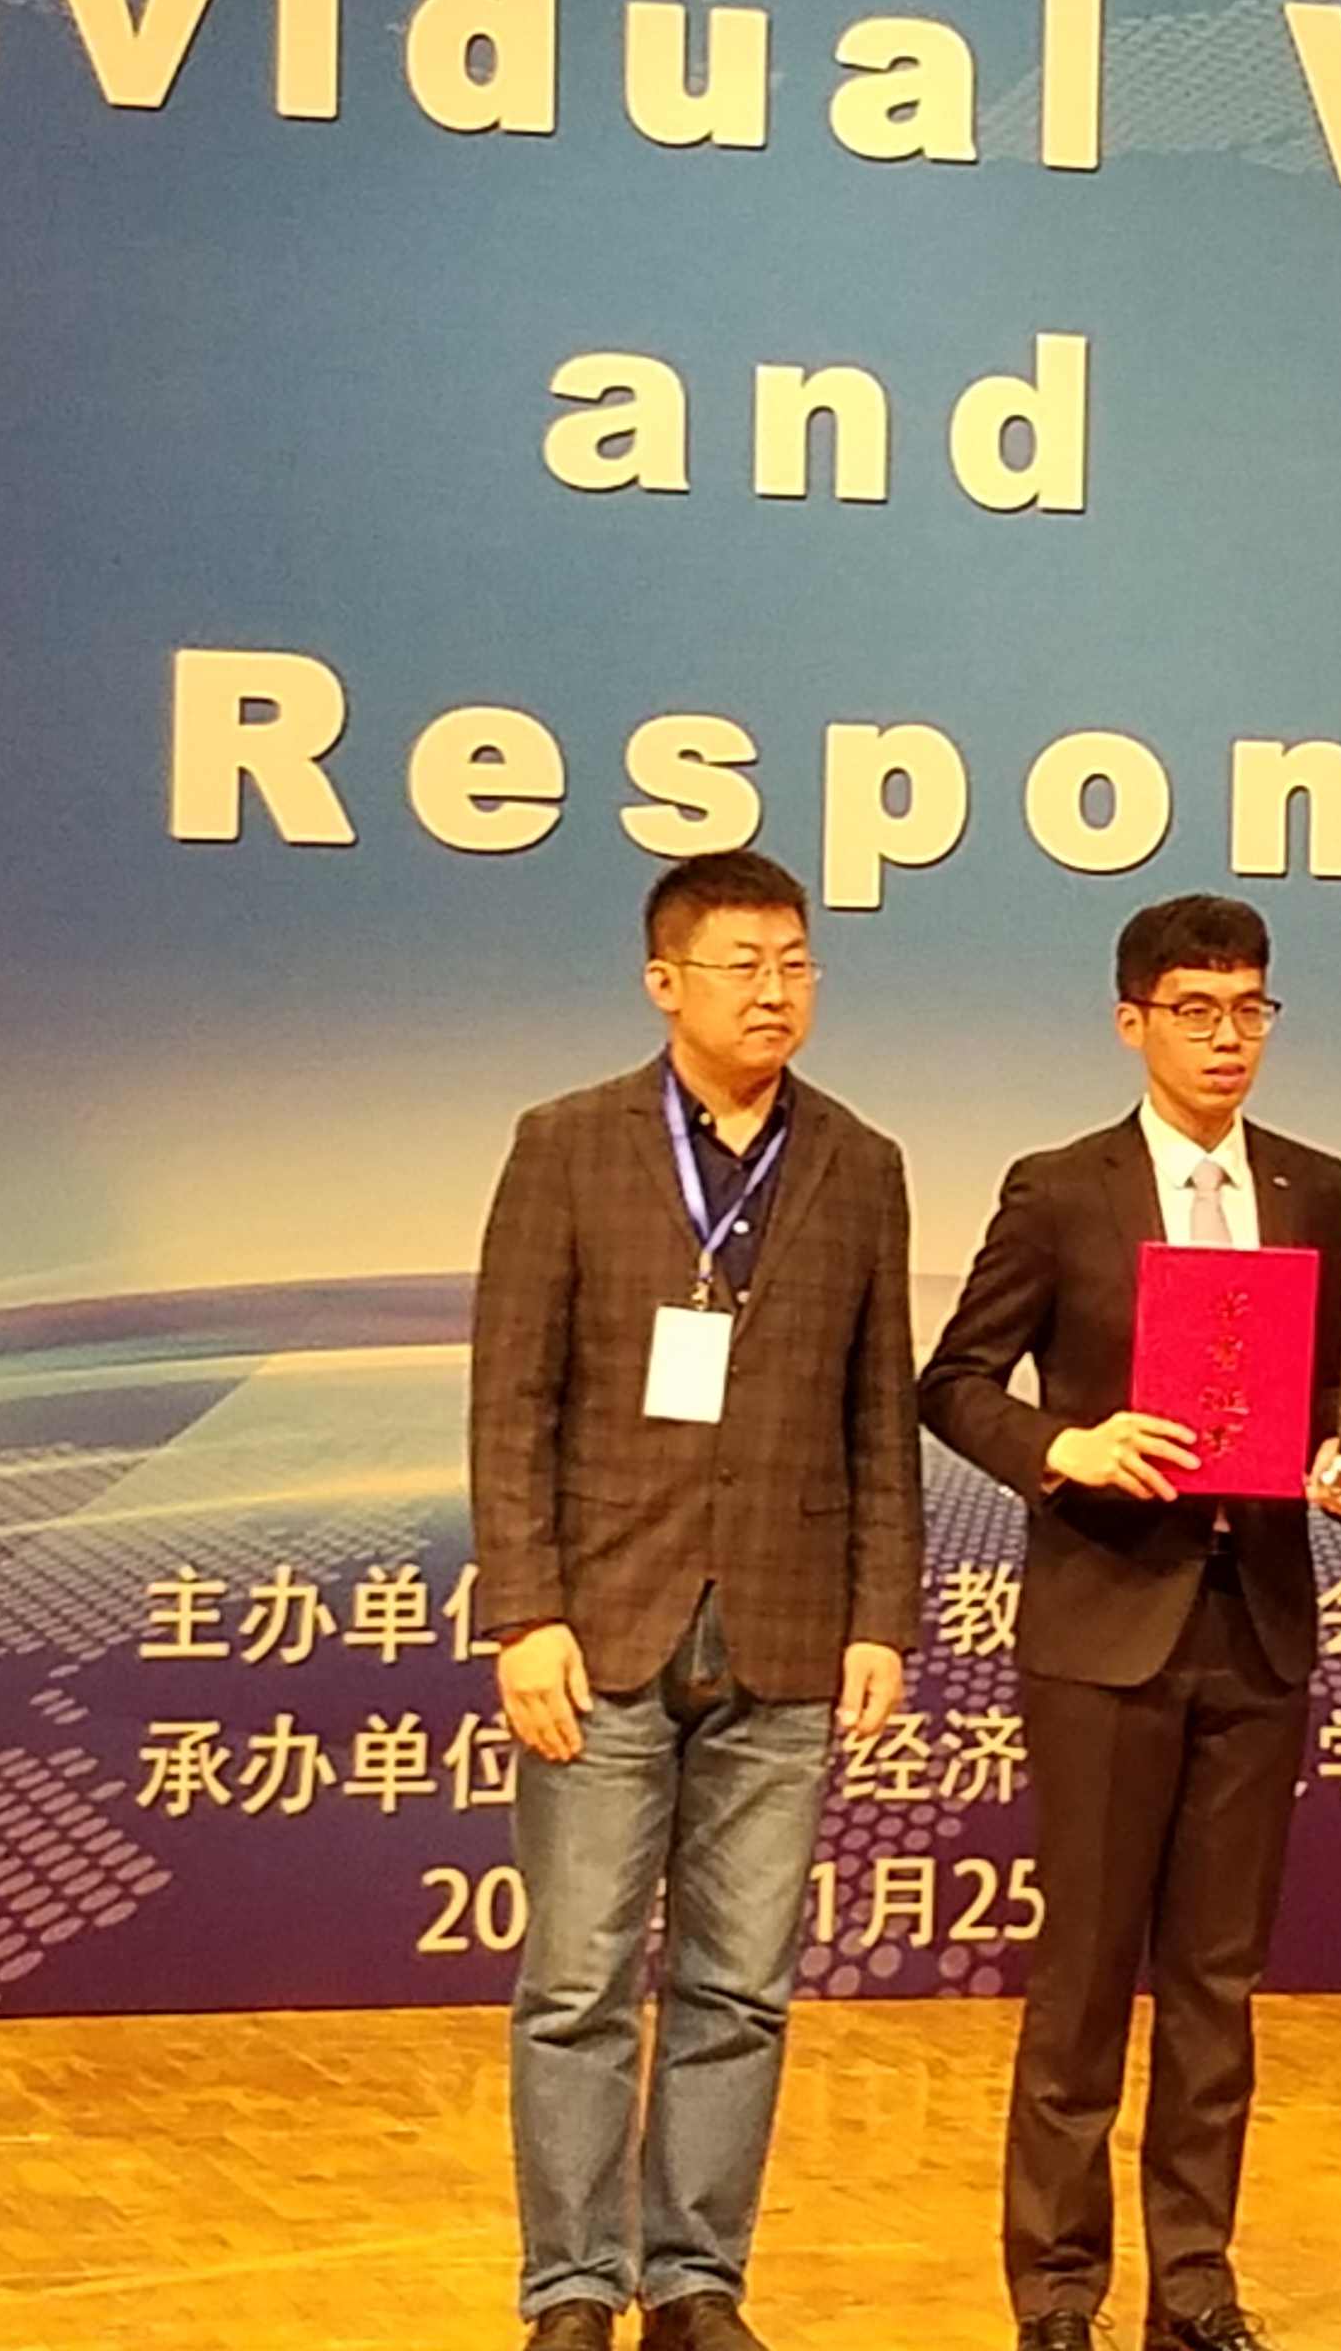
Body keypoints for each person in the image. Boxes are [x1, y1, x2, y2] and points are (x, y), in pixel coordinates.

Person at [917, 893, 1341, 2351]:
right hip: (1106, 1623)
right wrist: (1065, 1446)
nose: (1227, 1039)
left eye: (1250, 1009)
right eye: (1196, 1012)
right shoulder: (1061, 1189)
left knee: (1217, 1983)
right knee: (1082, 1977)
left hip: (1257, 1622)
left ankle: (1195, 2282)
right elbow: (955, 1382)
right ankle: (1059, 2286)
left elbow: (1308, 1398)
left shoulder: (1312, 1185)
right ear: (1132, 1022)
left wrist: (1332, 1459)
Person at [465, 850, 925, 2351]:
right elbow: (512, 1398)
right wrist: (523, 1612)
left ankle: (696, 2282)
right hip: (601, 1623)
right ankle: (571, 2290)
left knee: (741, 1988)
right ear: (664, 982)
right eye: (742, 965)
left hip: (788, 1627)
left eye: (795, 962)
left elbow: (879, 1411)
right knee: (578, 1981)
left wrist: (882, 1615)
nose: (774, 991)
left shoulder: (860, 1160)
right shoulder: (567, 1144)